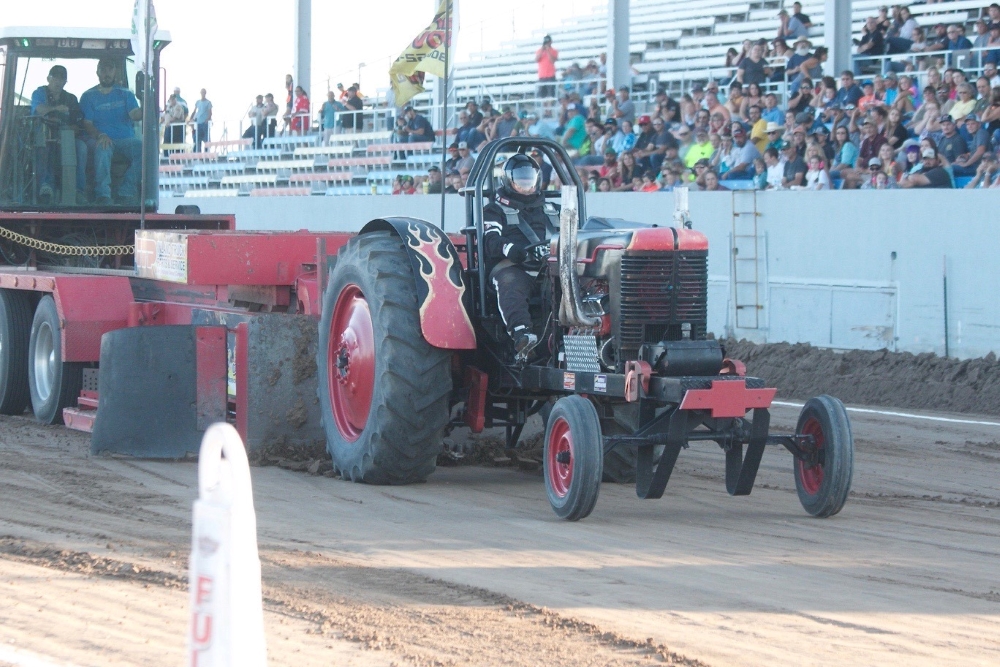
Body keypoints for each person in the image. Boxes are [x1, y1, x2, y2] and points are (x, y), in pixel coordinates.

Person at [483, 154, 557, 356]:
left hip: (550, 270)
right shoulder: (494, 210)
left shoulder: (552, 210)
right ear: (508, 181)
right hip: (513, 267)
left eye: (529, 181)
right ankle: (522, 336)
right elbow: (489, 241)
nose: (526, 186)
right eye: (521, 182)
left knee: (579, 282)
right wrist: (510, 249)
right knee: (510, 282)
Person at [80, 58, 142, 206]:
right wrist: (100, 135)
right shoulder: (88, 96)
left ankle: (126, 191)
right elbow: (87, 123)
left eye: (110, 69)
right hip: (102, 138)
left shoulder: (126, 94)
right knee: (103, 148)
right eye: (103, 70)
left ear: (115, 72)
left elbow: (135, 114)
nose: (106, 73)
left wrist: (145, 101)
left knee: (145, 151)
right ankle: (103, 194)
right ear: (97, 72)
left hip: (126, 140)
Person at [30, 64, 87, 204]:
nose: (58, 82)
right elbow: (40, 109)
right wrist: (56, 109)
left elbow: (78, 123)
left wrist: (67, 131)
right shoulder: (39, 93)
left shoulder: (71, 99)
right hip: (43, 136)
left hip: (67, 138)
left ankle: (78, 190)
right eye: (55, 78)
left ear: (65, 82)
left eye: (62, 79)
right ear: (48, 78)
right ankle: (45, 186)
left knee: (82, 148)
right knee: (45, 145)